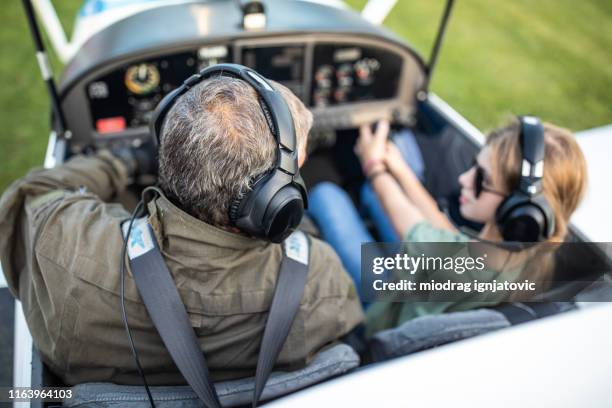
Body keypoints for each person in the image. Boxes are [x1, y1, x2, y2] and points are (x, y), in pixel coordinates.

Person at [0, 75, 363, 386]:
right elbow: (352, 335)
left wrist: (122, 162)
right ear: (276, 199)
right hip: (404, 281)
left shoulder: (63, 251)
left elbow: (27, 197)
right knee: (330, 194)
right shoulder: (320, 279)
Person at [308, 117, 587, 333]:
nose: (465, 179)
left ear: (518, 213)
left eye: (482, 179)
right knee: (371, 194)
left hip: (388, 305)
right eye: (474, 166)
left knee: (327, 195)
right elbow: (446, 234)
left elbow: (406, 217)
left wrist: (373, 164)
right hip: (423, 282)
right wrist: (400, 169)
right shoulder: (525, 255)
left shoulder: (454, 265)